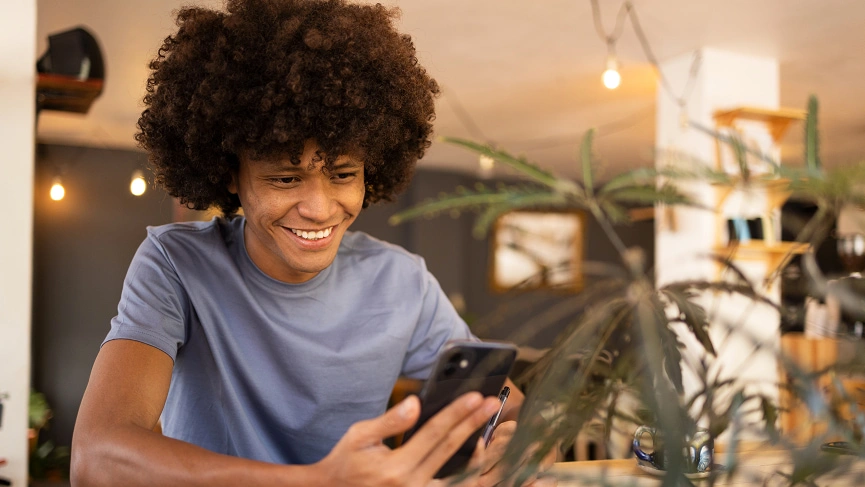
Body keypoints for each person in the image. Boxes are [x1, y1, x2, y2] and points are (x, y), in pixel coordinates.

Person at [70, 0, 556, 486]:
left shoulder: (402, 281)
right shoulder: (175, 264)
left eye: (343, 174)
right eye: (285, 178)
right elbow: (96, 459)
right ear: (230, 175)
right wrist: (317, 481)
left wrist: (526, 440)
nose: (320, 209)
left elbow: (505, 404)